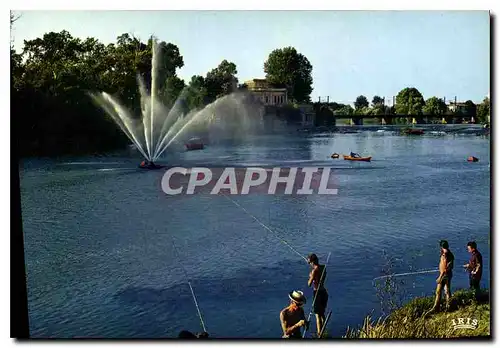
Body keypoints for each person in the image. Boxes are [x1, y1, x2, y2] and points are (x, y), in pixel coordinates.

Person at [307, 253, 329, 337]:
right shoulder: (324, 267)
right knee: (322, 313)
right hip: (324, 292)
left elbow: (309, 284)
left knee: (317, 316)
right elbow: (320, 278)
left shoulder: (314, 271)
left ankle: (319, 335)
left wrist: (310, 277)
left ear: (313, 262)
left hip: (317, 293)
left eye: (310, 263)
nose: (310, 264)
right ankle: (324, 331)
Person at [430, 240, 455, 312]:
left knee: (438, 291)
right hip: (448, 274)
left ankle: (436, 307)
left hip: (444, 275)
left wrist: (440, 277)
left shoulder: (445, 255)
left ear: (441, 247)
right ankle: (448, 306)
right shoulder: (450, 254)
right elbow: (450, 266)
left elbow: (445, 268)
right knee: (447, 290)